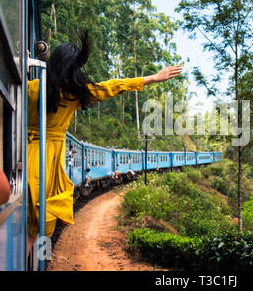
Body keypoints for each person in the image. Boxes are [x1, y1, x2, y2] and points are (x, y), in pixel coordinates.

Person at [26, 30, 182, 254]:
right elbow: (114, 85)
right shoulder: (74, 95)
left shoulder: (31, 88)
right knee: (41, 215)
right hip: (47, 160)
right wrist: (152, 78)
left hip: (22, 150)